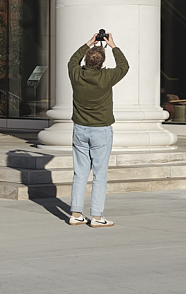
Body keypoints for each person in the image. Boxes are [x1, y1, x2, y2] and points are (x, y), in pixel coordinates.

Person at [65, 31, 129, 228]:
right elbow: (124, 66)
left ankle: (76, 213)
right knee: (100, 175)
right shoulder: (107, 77)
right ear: (102, 62)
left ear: (86, 60)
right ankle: (97, 216)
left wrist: (89, 43)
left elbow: (72, 61)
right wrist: (113, 45)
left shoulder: (76, 74)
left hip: (80, 129)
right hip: (101, 130)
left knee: (80, 173)